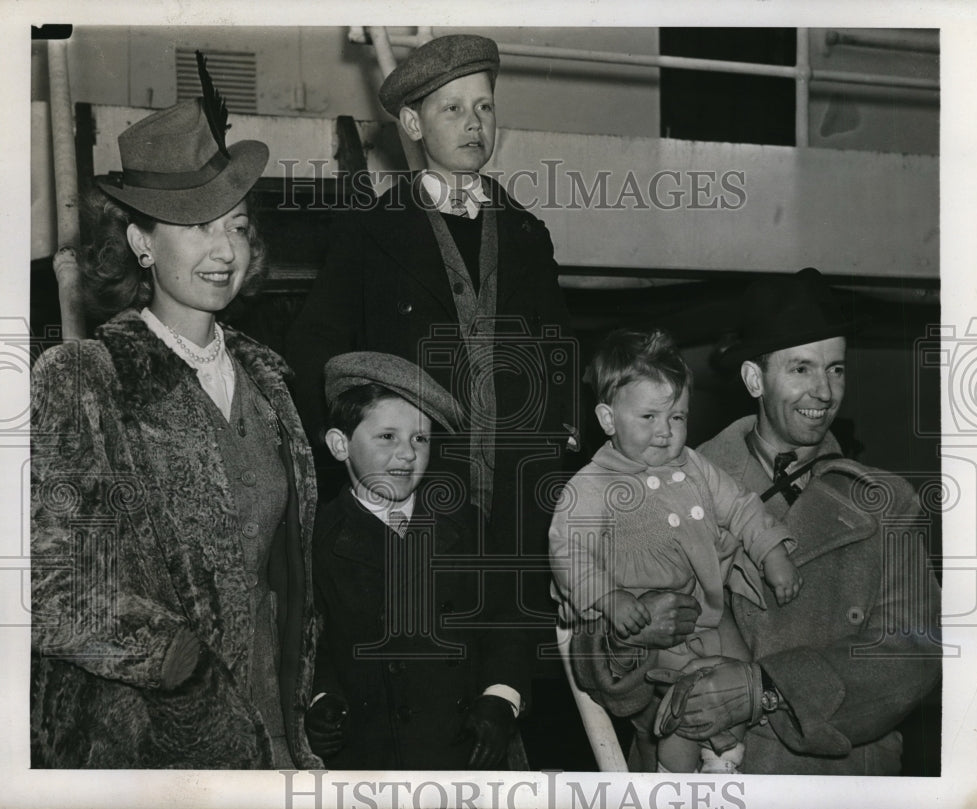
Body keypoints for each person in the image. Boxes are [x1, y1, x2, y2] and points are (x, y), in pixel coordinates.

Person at [30, 63, 323, 769]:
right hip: (149, 747)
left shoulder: (271, 385)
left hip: (273, 736)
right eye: (195, 226)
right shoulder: (84, 380)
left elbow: (284, 578)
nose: (224, 250)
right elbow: (44, 586)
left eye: (237, 225)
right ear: (139, 242)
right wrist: (175, 664)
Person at [284, 34, 576, 625]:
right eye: (453, 109)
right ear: (413, 124)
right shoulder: (370, 233)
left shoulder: (527, 234)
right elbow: (315, 349)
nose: (474, 124)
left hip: (519, 506)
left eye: (485, 107)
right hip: (415, 497)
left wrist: (556, 446)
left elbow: (558, 354)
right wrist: (353, 454)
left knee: (510, 657)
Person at [652, 267, 942, 775]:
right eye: (802, 369)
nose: (825, 392)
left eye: (836, 369)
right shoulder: (673, 486)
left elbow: (912, 654)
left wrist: (768, 688)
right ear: (753, 379)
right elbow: (612, 652)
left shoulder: (887, 501)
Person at [550, 328, 800, 773]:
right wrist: (610, 599)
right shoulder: (591, 485)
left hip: (707, 612)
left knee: (742, 674)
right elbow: (569, 552)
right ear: (608, 419)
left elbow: (742, 507)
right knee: (681, 706)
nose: (666, 433)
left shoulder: (696, 467)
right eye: (649, 418)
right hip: (650, 628)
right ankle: (675, 780)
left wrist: (772, 551)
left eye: (678, 418)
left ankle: (724, 761)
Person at [305, 352, 530, 769]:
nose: (408, 454)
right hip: (371, 755)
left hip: (467, 748)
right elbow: (308, 643)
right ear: (340, 445)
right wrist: (321, 699)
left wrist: (501, 698)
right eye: (387, 437)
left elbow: (506, 621)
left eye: (420, 439)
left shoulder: (463, 524)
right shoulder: (317, 537)